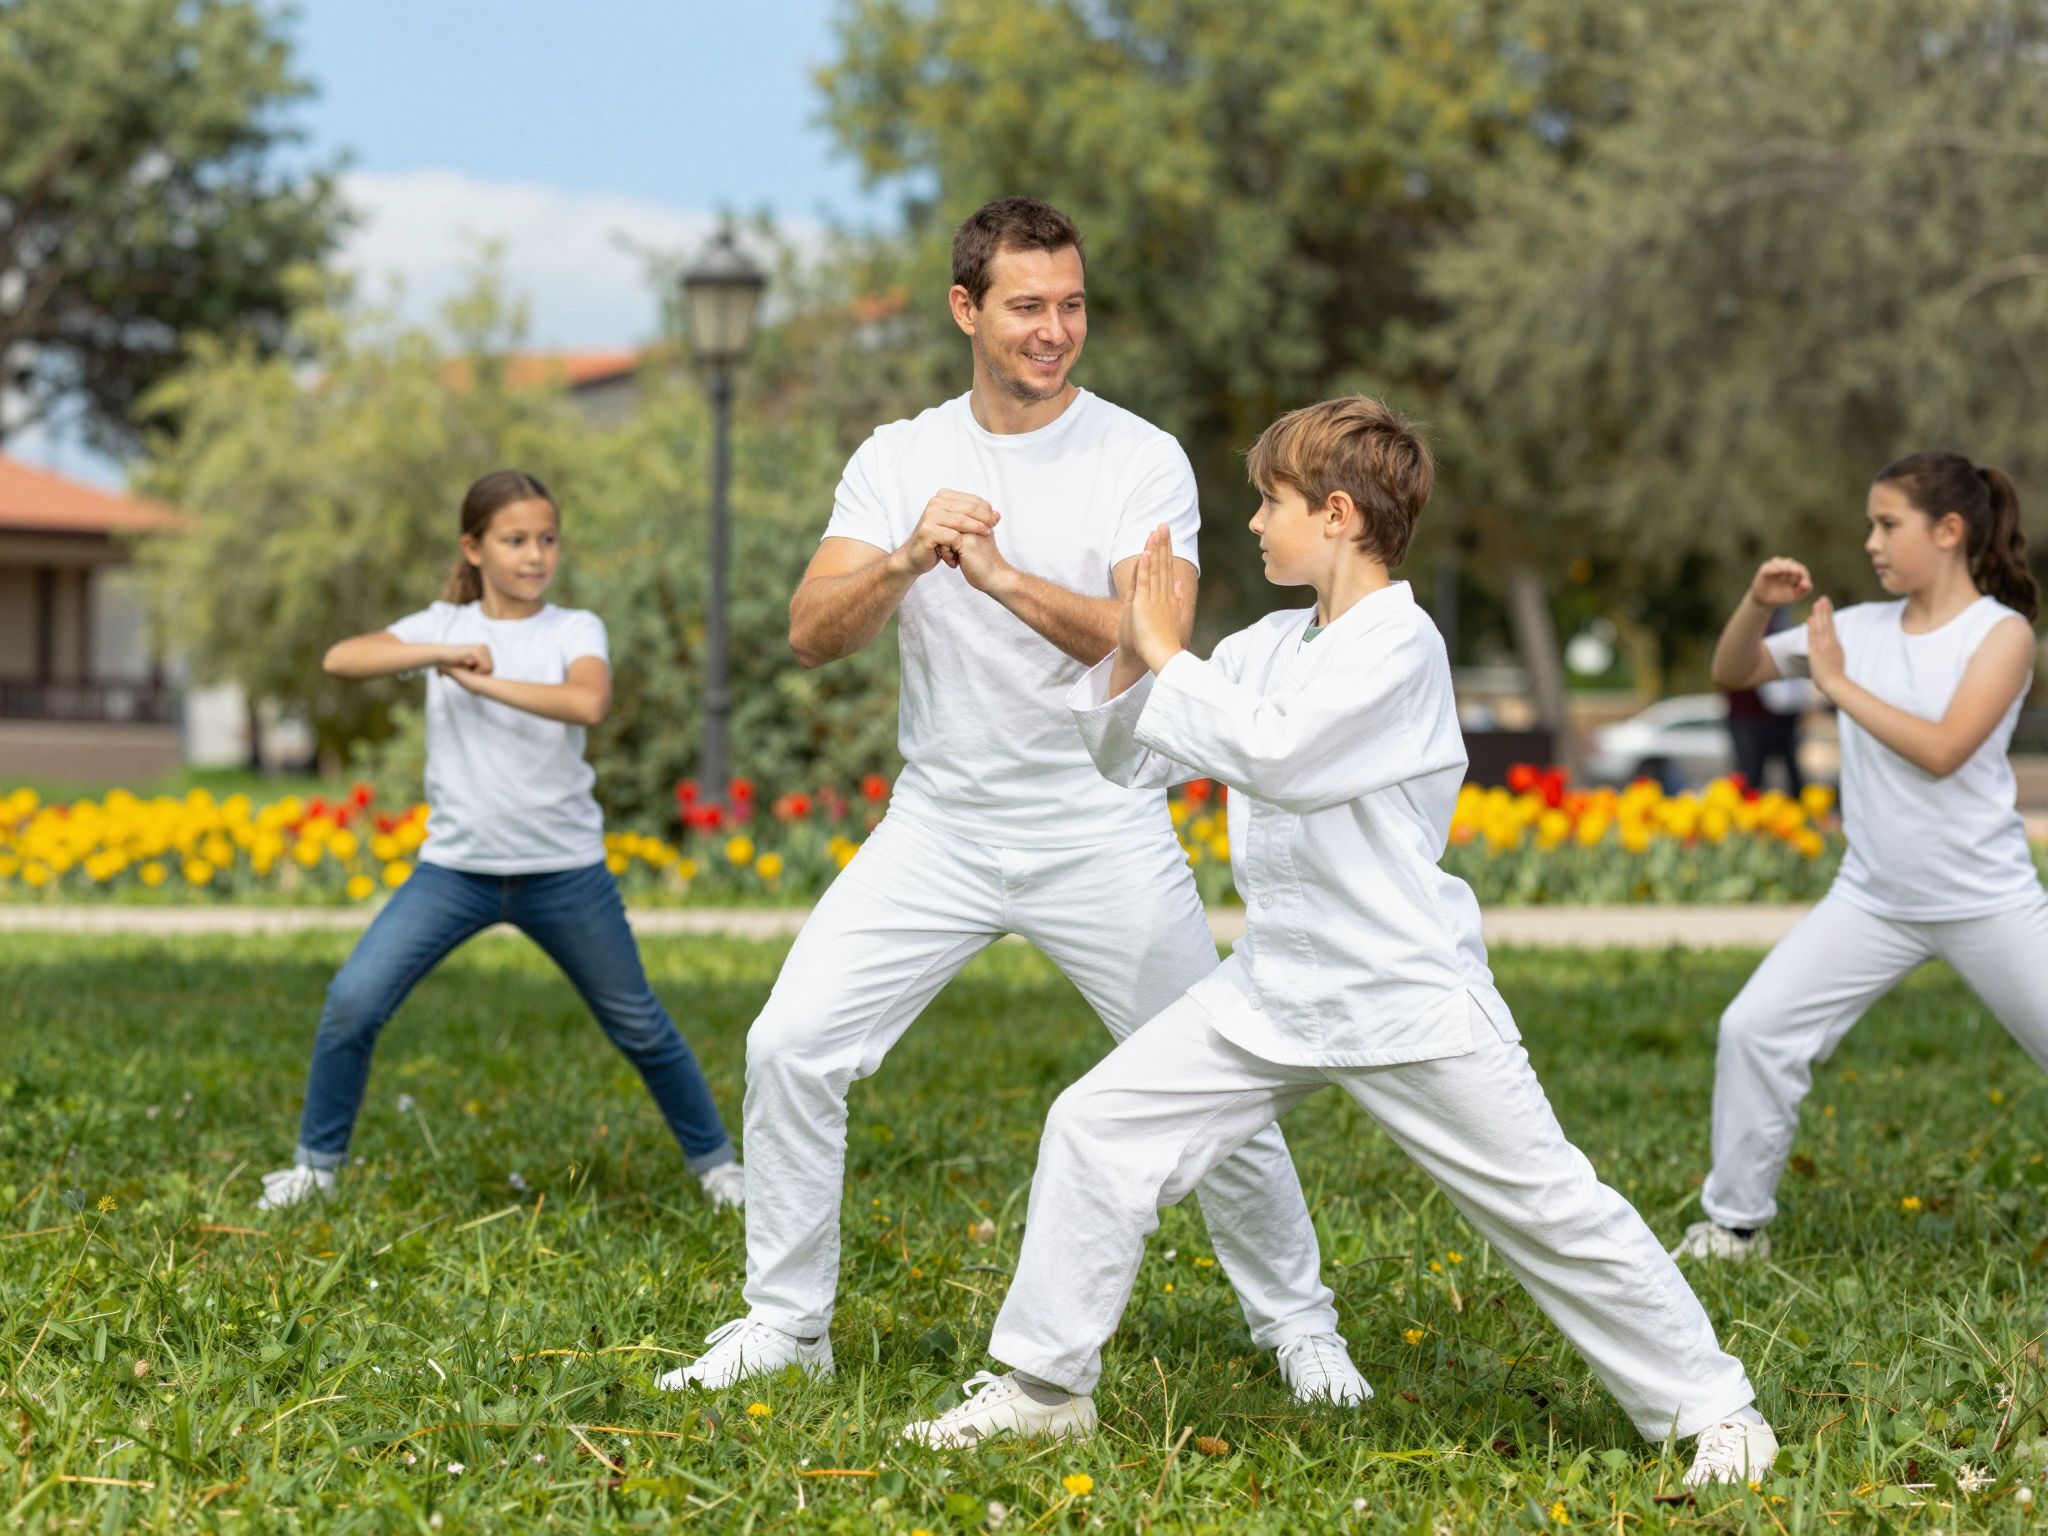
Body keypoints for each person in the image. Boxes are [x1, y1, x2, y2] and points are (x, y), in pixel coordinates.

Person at [899, 397, 1778, 1490]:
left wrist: (1169, 658)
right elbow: (1132, 762)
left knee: (1544, 1203)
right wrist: (1135, 655)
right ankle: (1043, 1391)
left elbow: (1280, 759)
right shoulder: (1266, 643)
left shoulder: (1400, 646)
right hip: (1274, 986)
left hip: (1400, 990)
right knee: (1095, 1126)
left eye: (1269, 503)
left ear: (1336, 513)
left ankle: (1716, 1410)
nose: (1253, 525)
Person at [660, 198, 1362, 1403]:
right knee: (789, 1046)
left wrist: (993, 576)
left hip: (1100, 819)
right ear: (964, 310)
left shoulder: (1136, 457)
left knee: (1215, 1075)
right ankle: (785, 1323)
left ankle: (1298, 1325)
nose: (1054, 331)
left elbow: (1155, 641)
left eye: (1071, 305)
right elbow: (809, 633)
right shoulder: (896, 458)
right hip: (937, 826)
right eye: (1027, 306)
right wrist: (899, 559)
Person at [255, 470, 742, 1212]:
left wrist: (481, 683)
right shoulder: (440, 629)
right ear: (474, 548)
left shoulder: (573, 630)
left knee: (640, 1024)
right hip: (455, 873)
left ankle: (718, 1169)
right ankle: (314, 1170)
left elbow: (588, 700)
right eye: (515, 541)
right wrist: (440, 654)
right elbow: (341, 658)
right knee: (353, 1002)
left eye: (546, 540)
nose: (535, 555)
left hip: (565, 873)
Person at [1674, 451, 2044, 1263]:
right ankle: (1735, 1227)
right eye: (1870, 524)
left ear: (1949, 532)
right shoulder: (1857, 629)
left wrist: (1835, 684)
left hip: (1986, 899)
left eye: (1887, 524)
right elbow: (1732, 671)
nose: (1871, 541)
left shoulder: (2002, 634)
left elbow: (1944, 748)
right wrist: (1755, 605)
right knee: (1754, 1030)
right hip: (1872, 899)